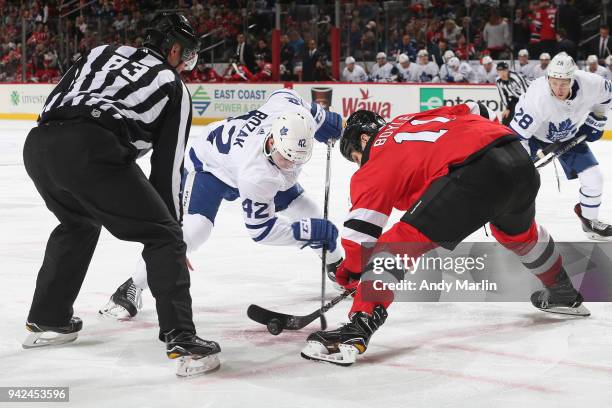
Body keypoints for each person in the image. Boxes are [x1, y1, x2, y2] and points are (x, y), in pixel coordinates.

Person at [300, 103, 589, 366]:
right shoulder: (410, 118)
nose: (359, 162)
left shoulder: (374, 157)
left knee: (396, 245)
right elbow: (473, 109)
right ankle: (563, 292)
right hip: (515, 156)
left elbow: (360, 234)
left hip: (473, 175)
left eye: (355, 156)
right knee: (520, 235)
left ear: (364, 139)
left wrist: (349, 273)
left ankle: (357, 328)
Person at [21, 13, 221, 377]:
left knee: (77, 223)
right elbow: (167, 171)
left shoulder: (101, 51)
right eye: (186, 52)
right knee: (161, 235)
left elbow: (61, 96)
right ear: (174, 48)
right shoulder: (173, 85)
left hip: (39, 144)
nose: (187, 61)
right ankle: (181, 336)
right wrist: (171, 234)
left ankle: (47, 320)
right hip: (91, 147)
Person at [100, 88, 343, 319]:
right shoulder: (257, 174)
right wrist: (308, 234)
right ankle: (132, 286)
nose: (290, 166)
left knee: (309, 212)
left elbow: (285, 94)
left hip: (240, 159)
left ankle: (338, 268)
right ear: (272, 142)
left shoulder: (286, 117)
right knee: (196, 230)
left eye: (296, 160)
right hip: (211, 167)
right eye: (285, 157)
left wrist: (319, 117)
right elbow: (261, 230)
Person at [510, 52, 612, 240]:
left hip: (569, 135)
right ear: (547, 77)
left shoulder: (592, 83)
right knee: (516, 181)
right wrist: (522, 165)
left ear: (573, 78)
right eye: (554, 82)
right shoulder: (537, 97)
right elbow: (518, 137)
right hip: (535, 138)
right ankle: (507, 222)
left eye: (564, 82)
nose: (558, 88)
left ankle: (590, 221)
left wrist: (598, 118)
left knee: (594, 178)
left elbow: (607, 97)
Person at [495, 61, 530, 126]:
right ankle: (506, 131)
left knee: (524, 114)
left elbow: (525, 91)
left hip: (530, 96)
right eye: (499, 71)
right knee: (506, 117)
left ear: (507, 70)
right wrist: (507, 108)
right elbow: (503, 95)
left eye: (504, 71)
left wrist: (526, 106)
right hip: (516, 97)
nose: (502, 73)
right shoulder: (498, 81)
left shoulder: (516, 77)